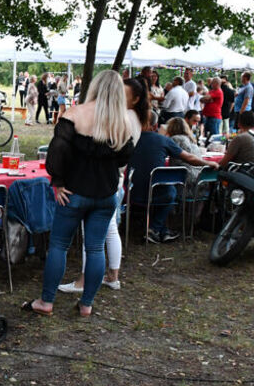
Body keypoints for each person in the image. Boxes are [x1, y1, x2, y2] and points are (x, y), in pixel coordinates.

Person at [24, 70, 134, 317]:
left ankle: (47, 301)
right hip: (105, 193)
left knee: (59, 245)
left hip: (74, 191)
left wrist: (58, 180)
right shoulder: (123, 121)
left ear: (95, 86)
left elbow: (57, 150)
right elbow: (124, 158)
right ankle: (86, 305)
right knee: (95, 248)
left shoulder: (76, 113)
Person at [58, 75, 149, 295]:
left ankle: (84, 280)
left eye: (123, 94)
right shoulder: (133, 117)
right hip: (116, 180)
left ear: (135, 99)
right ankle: (112, 276)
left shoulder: (123, 117)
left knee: (94, 237)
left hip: (105, 180)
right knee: (108, 230)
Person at [131, 111, 219, 243]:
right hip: (157, 193)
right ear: (155, 126)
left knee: (165, 187)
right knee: (170, 191)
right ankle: (155, 229)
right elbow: (189, 158)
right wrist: (209, 163)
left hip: (131, 192)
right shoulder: (163, 140)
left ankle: (162, 230)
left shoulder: (130, 139)